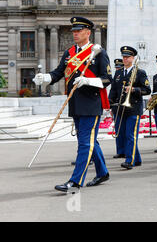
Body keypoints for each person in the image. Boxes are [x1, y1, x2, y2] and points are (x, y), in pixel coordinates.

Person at [33, 16, 112, 192]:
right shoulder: (70, 53)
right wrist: (46, 78)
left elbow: (108, 79)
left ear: (88, 32)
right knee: (89, 141)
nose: (75, 34)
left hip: (91, 104)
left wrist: (89, 81)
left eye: (78, 31)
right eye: (73, 31)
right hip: (75, 103)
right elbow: (59, 72)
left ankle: (75, 181)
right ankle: (103, 172)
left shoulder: (98, 52)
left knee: (84, 143)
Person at [108, 46, 151, 170]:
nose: (125, 59)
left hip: (133, 108)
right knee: (123, 134)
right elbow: (113, 90)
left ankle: (129, 160)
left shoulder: (140, 72)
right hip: (120, 108)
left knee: (130, 135)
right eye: (124, 57)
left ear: (133, 58)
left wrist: (134, 89)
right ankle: (137, 159)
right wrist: (110, 103)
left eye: (127, 57)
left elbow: (147, 90)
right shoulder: (119, 72)